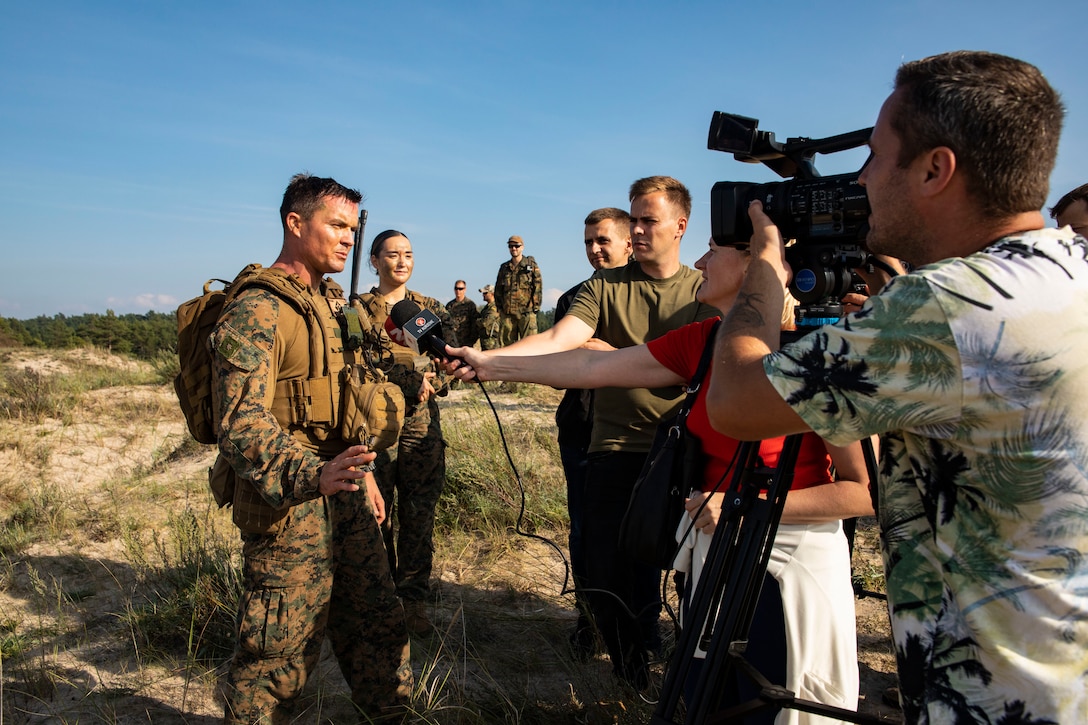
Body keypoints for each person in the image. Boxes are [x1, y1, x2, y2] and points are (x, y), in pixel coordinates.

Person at [706, 51, 1088, 724]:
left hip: (993, 697)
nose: (861, 181)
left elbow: (735, 402)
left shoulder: (947, 306)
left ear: (936, 170)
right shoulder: (1071, 266)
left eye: (876, 156)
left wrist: (763, 269)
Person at [448, 236, 872, 721]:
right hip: (717, 549)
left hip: (790, 566)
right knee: (713, 696)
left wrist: (742, 504)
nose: (699, 261)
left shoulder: (820, 352)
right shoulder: (707, 341)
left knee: (779, 700)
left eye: (714, 251)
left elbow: (862, 491)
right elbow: (593, 364)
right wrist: (490, 364)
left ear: (759, 263)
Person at [472, 176, 717, 688]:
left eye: (649, 220)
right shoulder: (603, 287)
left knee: (685, 567)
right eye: (635, 220)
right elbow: (562, 338)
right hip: (614, 447)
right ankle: (630, 670)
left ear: (680, 226)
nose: (639, 229)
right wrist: (487, 360)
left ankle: (680, 668)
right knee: (606, 568)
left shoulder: (704, 289)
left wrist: (617, 359)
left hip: (682, 454)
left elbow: (699, 364)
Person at [211, 173, 411, 721]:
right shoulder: (258, 307)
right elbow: (239, 422)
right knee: (276, 658)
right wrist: (311, 475)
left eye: (353, 228)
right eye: (336, 225)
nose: (348, 239)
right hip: (287, 507)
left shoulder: (327, 303)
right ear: (295, 224)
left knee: (377, 625)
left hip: (344, 489)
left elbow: (344, 398)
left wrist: (362, 472)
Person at [355, 229, 456, 634]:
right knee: (376, 514)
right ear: (375, 261)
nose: (402, 261)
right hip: (375, 423)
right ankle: (381, 600)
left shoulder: (428, 308)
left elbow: (451, 360)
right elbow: (352, 364)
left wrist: (439, 381)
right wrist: (402, 376)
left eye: (408, 254)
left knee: (419, 513)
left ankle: (413, 600)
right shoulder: (357, 308)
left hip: (420, 422)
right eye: (392, 254)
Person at [555, 206, 633, 657]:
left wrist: (610, 355)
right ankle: (590, 621)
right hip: (583, 428)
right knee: (585, 531)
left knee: (642, 532)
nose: (595, 250)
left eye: (603, 240)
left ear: (628, 241)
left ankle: (640, 625)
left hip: (637, 432)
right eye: (588, 242)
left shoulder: (653, 293)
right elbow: (560, 365)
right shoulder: (576, 299)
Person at [493, 234, 542, 345]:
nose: (513, 248)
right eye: (511, 246)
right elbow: (498, 290)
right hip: (508, 314)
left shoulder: (530, 265)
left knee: (530, 345)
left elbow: (537, 286)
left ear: (522, 247)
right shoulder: (504, 268)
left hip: (526, 313)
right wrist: (500, 309)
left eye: (516, 246)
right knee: (507, 347)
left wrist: (535, 307)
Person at [446, 279, 480, 349]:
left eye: (460, 289)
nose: (458, 291)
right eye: (456, 288)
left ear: (465, 290)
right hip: (452, 343)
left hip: (466, 343)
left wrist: (471, 342)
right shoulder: (449, 305)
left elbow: (475, 325)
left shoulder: (470, 305)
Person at [476, 284, 501, 350]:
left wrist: (476, 321)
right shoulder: (487, 307)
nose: (483, 295)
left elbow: (485, 322)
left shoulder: (494, 307)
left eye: (485, 293)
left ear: (492, 293)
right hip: (486, 341)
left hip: (492, 342)